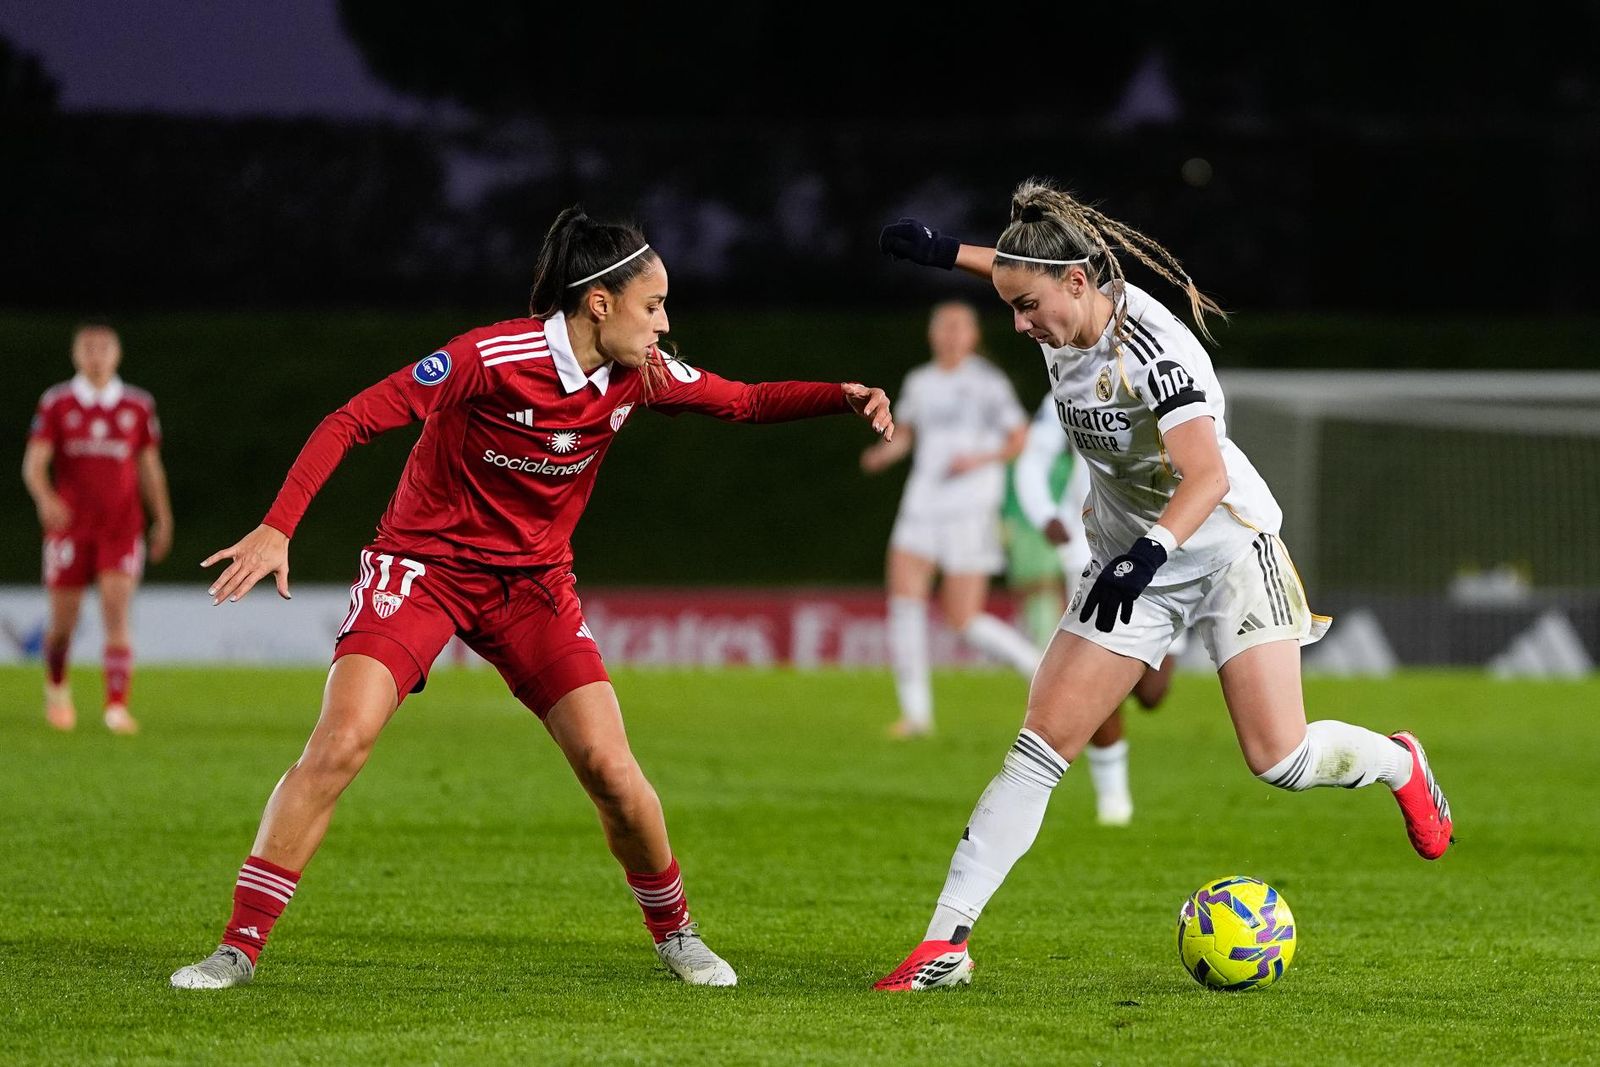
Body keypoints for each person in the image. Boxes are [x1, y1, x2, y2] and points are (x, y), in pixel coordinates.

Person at [168, 208, 895, 991]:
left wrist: (841, 395)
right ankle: (237, 947)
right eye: (653, 305)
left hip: (534, 587)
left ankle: (677, 932)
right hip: (423, 569)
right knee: (341, 742)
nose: (666, 322)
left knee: (612, 770)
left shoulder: (639, 372)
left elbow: (745, 401)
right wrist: (279, 527)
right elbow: (353, 419)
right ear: (599, 303)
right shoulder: (487, 357)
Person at [871, 180, 1453, 990]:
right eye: (1010, 305)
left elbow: (1207, 475)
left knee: (1278, 758)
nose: (1020, 324)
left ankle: (1399, 762)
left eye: (1028, 306)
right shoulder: (1053, 294)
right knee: (1039, 746)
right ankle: (945, 946)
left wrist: (1147, 554)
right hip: (1131, 558)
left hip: (1224, 548)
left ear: (1078, 282)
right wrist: (941, 251)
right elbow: (1011, 264)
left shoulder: (1156, 349)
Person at [860, 301, 1041, 738]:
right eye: (943, 326)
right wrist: (885, 453)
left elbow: (1019, 438)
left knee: (963, 619)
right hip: (922, 504)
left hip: (972, 508)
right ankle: (916, 715)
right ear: (932, 334)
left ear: (974, 336)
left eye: (960, 326)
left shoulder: (988, 383)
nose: (951, 334)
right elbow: (907, 435)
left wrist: (979, 459)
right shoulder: (920, 382)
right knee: (904, 602)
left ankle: (1038, 668)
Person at [1013, 395, 1181, 825]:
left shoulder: (1171, 377)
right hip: (1095, 548)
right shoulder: (1069, 383)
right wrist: (1045, 513)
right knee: (1097, 672)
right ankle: (1114, 800)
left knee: (1152, 693)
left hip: (1172, 549)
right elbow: (1033, 459)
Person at [22, 324, 173, 734]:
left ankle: (116, 707)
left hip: (121, 528)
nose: (96, 354)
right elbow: (34, 463)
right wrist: (46, 498)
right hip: (70, 529)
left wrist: (162, 516)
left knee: (116, 611)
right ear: (75, 354)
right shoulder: (58, 402)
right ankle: (57, 690)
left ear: (117, 354)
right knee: (62, 625)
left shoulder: (138, 405)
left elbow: (148, 467)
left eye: (104, 347)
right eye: (88, 347)